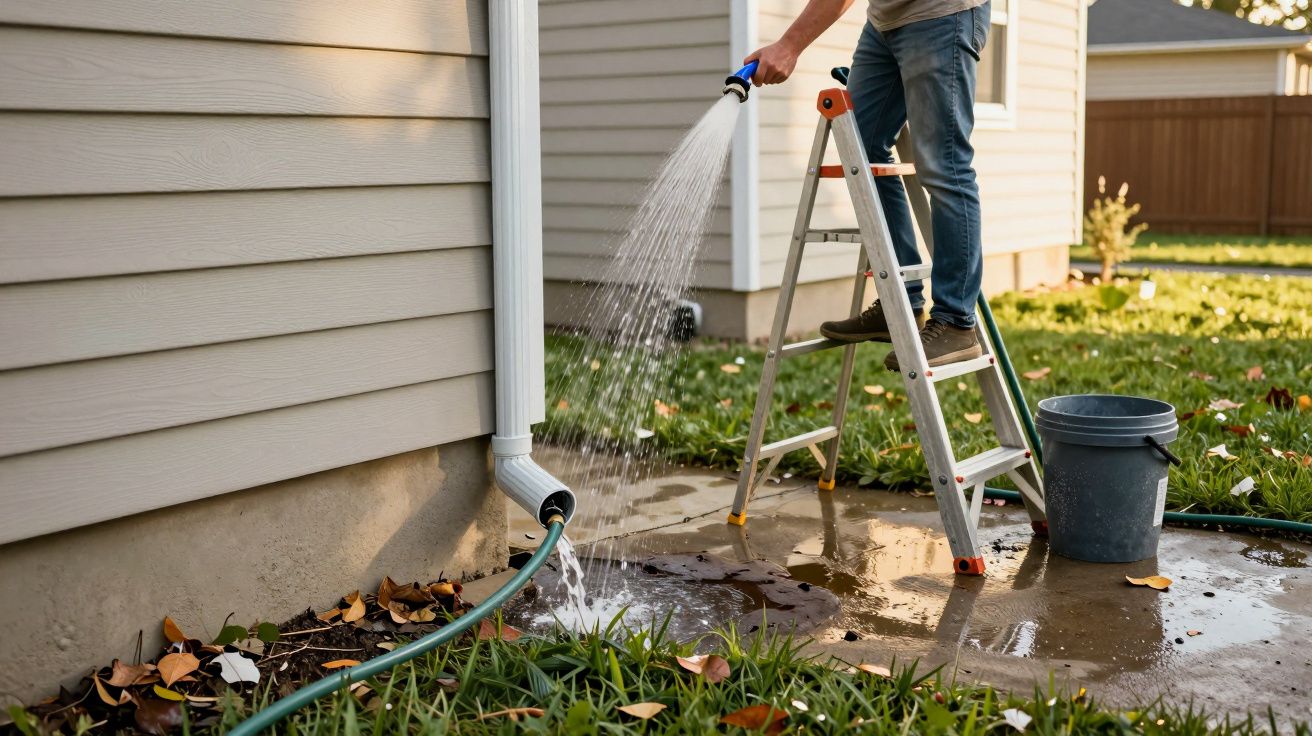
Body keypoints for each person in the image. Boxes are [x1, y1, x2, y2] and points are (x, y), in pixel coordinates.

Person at [744, 0, 991, 370]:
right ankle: (901, 303)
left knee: (945, 166)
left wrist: (789, 46)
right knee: (861, 149)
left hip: (942, 14)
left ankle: (956, 322)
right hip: (885, 23)